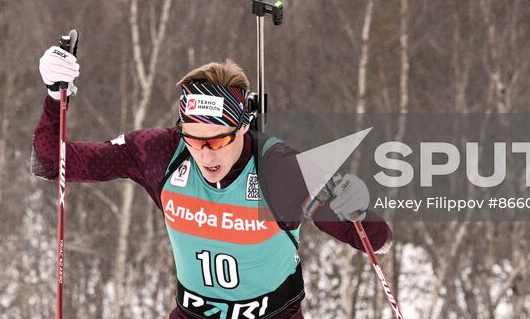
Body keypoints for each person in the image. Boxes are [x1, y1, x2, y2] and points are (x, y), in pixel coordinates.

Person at [31, 44, 391, 319]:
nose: (205, 155)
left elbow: (378, 242)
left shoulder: (282, 170)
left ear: (244, 126)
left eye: (218, 140)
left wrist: (357, 208)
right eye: (193, 139)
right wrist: (53, 96)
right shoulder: (161, 155)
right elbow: (51, 163)